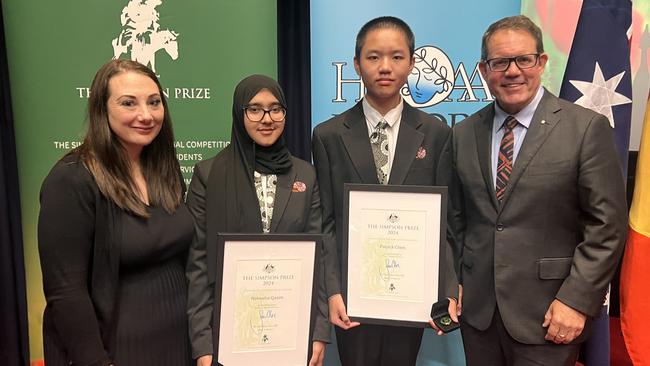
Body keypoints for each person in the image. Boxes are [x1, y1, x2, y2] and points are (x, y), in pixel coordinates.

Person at [444, 15, 628, 365]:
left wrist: (576, 300)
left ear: (541, 62)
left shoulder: (585, 128)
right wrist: (451, 285)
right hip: (479, 317)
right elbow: (455, 222)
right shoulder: (463, 134)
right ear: (484, 70)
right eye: (500, 62)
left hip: (550, 315)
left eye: (523, 59)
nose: (512, 71)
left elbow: (606, 227)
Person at [312, 16, 454, 366]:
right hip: (352, 294)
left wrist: (447, 291)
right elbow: (326, 222)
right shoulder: (328, 135)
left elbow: (446, 224)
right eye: (374, 57)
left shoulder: (436, 135)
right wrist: (332, 290)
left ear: (412, 63)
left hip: (412, 293)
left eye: (396, 56)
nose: (385, 67)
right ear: (357, 63)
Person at [38, 59, 193, 366]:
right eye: (128, 103)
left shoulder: (164, 168)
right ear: (101, 110)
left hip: (177, 343)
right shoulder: (71, 180)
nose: (145, 115)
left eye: (154, 102)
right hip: (115, 351)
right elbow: (65, 293)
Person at [186, 74, 329, 366]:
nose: (267, 118)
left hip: (291, 327)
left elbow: (319, 257)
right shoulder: (209, 175)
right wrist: (202, 344)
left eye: (276, 108)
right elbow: (198, 264)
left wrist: (319, 330)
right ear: (240, 114)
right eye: (255, 109)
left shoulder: (305, 174)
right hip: (228, 329)